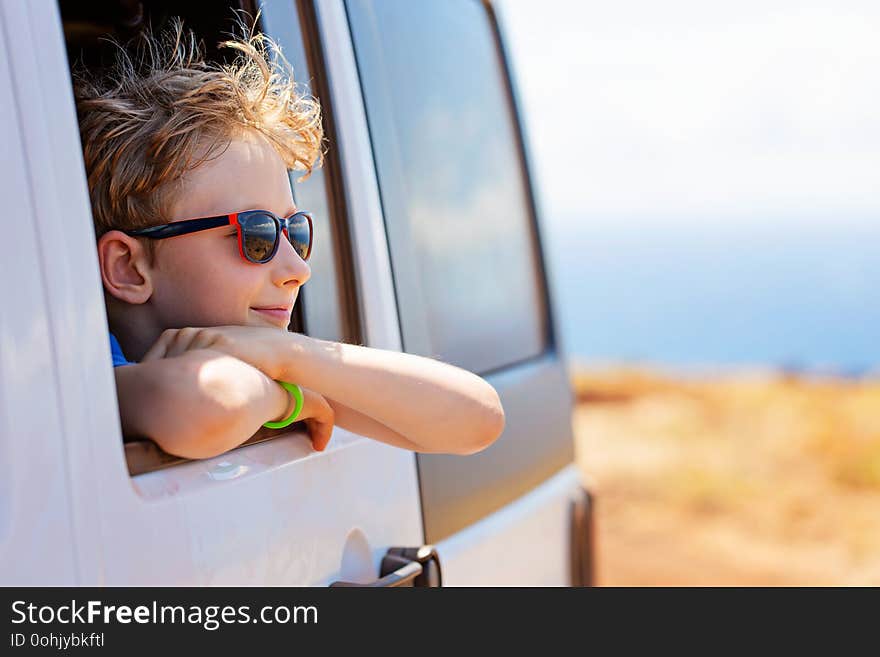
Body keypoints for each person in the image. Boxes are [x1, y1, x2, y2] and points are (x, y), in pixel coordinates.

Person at [74, 20, 505, 460]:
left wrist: (289, 352)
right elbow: (206, 402)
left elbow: (480, 417)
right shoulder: (79, 372)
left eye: (294, 232)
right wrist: (289, 399)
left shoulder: (263, 351)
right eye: (257, 235)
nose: (300, 270)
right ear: (128, 267)